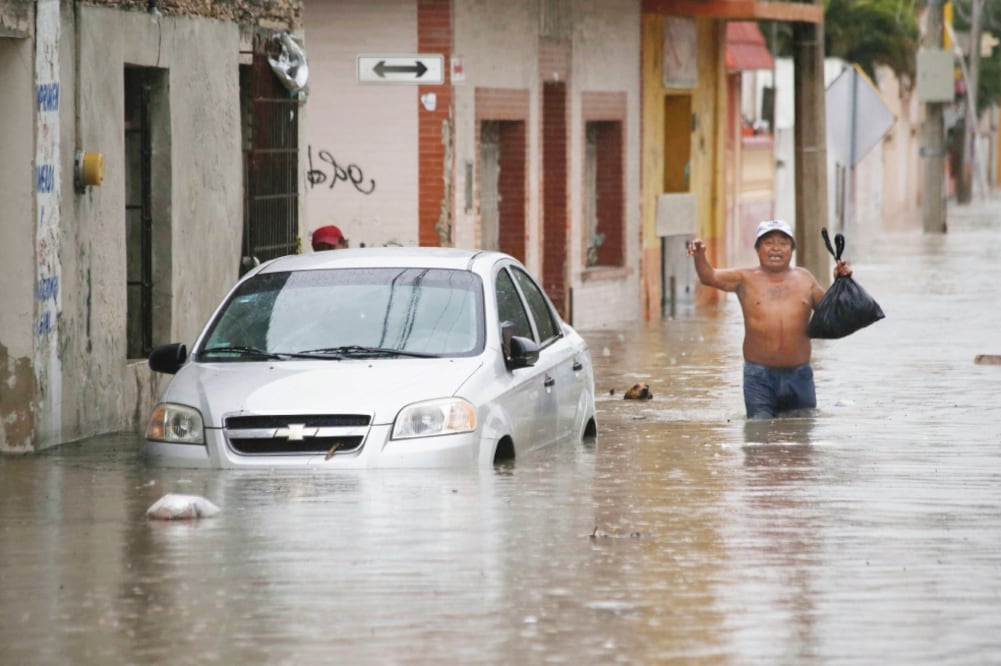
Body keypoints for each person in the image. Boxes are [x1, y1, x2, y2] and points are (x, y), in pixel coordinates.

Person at [687, 219, 852, 419]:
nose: (776, 248)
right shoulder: (744, 278)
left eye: (783, 243)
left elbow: (831, 311)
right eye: (768, 242)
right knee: (759, 430)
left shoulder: (805, 278)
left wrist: (841, 282)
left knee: (801, 431)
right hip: (759, 376)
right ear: (757, 249)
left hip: (799, 375)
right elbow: (709, 276)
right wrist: (700, 256)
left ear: (791, 250)